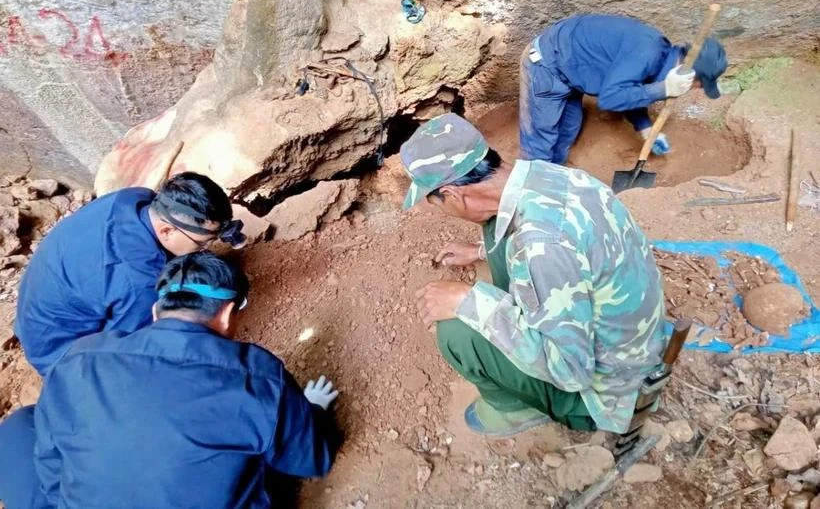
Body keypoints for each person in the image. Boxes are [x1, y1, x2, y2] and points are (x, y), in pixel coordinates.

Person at [0, 251, 340, 509]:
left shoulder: (79, 359)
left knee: (19, 428)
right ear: (225, 313)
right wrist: (313, 414)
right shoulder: (257, 377)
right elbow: (311, 460)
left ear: (155, 312)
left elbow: (51, 465)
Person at [402, 113, 666, 436]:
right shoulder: (547, 178)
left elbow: (572, 372)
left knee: (456, 332)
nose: (441, 210)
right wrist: (481, 252)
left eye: (436, 203)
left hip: (605, 396)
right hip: (635, 345)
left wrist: (469, 301)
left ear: (455, 194)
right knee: (494, 228)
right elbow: (570, 248)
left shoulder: (539, 245)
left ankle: (515, 409)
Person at [15, 171, 247, 375]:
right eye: (202, 243)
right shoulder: (138, 284)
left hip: (43, 304)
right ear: (166, 231)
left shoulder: (135, 199)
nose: (205, 249)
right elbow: (139, 346)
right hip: (61, 353)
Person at [519, 13, 728, 164]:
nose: (694, 90)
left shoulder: (660, 57)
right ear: (689, 74)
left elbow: (630, 89)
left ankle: (554, 174)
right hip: (547, 64)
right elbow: (611, 99)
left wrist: (645, 127)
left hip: (572, 70)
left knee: (568, 129)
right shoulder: (646, 53)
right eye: (698, 85)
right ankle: (535, 193)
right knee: (542, 139)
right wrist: (662, 89)